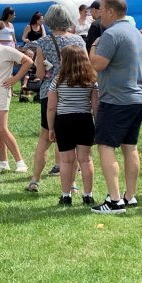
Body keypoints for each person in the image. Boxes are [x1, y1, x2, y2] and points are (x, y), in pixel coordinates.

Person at [88, 0, 142, 214]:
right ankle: (129, 197)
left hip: (116, 100)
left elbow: (98, 64)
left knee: (105, 146)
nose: (99, 14)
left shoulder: (111, 34)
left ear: (111, 11)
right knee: (130, 147)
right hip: (137, 98)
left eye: (102, 10)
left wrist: (93, 46)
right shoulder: (136, 33)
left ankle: (114, 201)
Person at [26, 4, 86, 191]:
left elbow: (41, 71)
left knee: (45, 138)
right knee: (73, 140)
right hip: (75, 92)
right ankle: (73, 184)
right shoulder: (78, 40)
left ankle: (35, 180)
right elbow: (85, 67)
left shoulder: (43, 42)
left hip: (49, 92)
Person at [47, 46, 97, 206]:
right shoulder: (91, 79)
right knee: (86, 159)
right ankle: (88, 195)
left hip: (64, 121)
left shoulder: (58, 80)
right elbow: (96, 106)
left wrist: (51, 127)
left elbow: (51, 107)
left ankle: (66, 195)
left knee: (66, 160)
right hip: (84, 119)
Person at [0, 27, 31, 173]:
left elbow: (27, 61)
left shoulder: (7, 50)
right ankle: (3, 161)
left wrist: (15, 78)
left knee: (2, 128)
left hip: (2, 92)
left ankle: (20, 161)